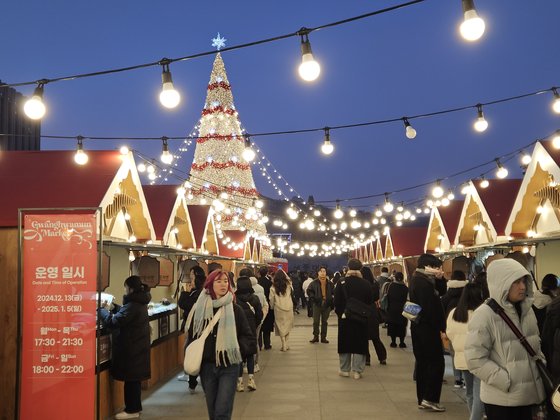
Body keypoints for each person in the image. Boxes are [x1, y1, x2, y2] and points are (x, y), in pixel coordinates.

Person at [465, 259, 546, 420]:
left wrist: (541, 362)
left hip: (531, 397)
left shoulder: (527, 310)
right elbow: (475, 359)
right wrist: (506, 380)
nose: (522, 286)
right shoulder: (484, 315)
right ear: (502, 283)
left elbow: (535, 344)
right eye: (516, 282)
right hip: (502, 401)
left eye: (524, 281)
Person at [186, 270, 254, 420]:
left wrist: (236, 350)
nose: (223, 284)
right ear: (210, 285)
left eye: (225, 281)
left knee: (222, 410)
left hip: (229, 366)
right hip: (207, 366)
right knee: (212, 408)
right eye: (218, 281)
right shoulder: (199, 310)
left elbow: (248, 336)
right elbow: (192, 336)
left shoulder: (236, 309)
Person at [98, 275, 151, 419]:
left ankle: (132, 410)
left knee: (132, 380)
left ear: (131, 288)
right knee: (133, 380)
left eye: (125, 287)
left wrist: (101, 310)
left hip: (133, 349)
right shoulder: (138, 302)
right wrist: (115, 307)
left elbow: (113, 322)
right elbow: (124, 314)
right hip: (137, 348)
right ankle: (134, 408)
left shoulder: (133, 305)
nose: (124, 290)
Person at [409, 253, 447, 412]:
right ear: (428, 267)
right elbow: (431, 309)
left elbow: (442, 291)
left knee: (424, 364)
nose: (439, 270)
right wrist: (441, 327)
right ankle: (430, 398)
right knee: (435, 363)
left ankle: (423, 398)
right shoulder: (423, 283)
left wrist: (439, 279)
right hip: (427, 329)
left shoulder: (419, 279)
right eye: (437, 267)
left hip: (419, 327)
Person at [445, 283, 485, 420]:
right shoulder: (481, 313)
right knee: (479, 392)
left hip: (462, 357)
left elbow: (449, 333)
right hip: (479, 358)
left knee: (470, 392)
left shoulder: (454, 313)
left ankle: (473, 416)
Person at [334, 259, 373, 379]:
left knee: (345, 342)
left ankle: (344, 369)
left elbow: (337, 301)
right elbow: (369, 301)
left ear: (348, 268)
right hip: (361, 319)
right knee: (359, 343)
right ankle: (357, 371)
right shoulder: (366, 284)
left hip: (345, 318)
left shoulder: (341, 282)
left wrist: (341, 313)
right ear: (360, 269)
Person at [177, 265, 206, 392]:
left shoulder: (197, 293)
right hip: (198, 327)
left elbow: (184, 304)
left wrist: (185, 292)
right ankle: (193, 377)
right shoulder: (201, 292)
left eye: (192, 276)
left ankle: (192, 377)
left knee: (191, 350)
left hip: (195, 327)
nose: (190, 278)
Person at [234, 272, 262, 392]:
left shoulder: (234, 300)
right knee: (250, 354)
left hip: (238, 331)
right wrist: (255, 325)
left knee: (239, 355)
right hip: (250, 330)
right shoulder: (254, 299)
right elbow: (259, 315)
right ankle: (251, 379)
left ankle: (239, 382)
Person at [440, 270, 468, 388]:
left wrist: (443, 329)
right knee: (466, 353)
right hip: (466, 327)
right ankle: (467, 379)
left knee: (454, 353)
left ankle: (457, 379)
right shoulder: (467, 295)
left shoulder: (446, 297)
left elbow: (441, 313)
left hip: (451, 329)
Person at [360, 266, 387, 365]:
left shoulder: (362, 285)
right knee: (376, 337)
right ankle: (382, 357)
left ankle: (367, 359)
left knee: (364, 337)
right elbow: (376, 297)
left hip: (363, 310)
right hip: (373, 310)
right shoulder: (375, 284)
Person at [307, 266, 334, 343]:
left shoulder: (330, 283)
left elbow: (334, 292)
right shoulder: (313, 283)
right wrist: (313, 298)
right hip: (317, 304)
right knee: (316, 321)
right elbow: (309, 291)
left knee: (324, 321)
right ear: (318, 273)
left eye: (324, 271)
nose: (323, 273)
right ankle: (315, 336)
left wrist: (331, 300)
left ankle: (323, 337)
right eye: (321, 271)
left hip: (327, 304)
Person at [269, 269, 294, 351]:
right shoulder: (289, 285)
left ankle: (283, 343)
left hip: (278, 308)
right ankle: (286, 344)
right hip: (289, 307)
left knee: (281, 326)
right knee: (288, 325)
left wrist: (272, 307)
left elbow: (271, 299)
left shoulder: (273, 287)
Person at [385, 271, 409, 348]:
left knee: (392, 325)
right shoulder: (405, 288)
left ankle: (393, 342)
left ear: (394, 277)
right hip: (402, 309)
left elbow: (387, 297)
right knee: (402, 326)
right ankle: (402, 342)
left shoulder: (390, 286)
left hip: (392, 309)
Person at [257, 267, 274, 350]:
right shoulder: (269, 283)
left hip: (258, 307)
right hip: (267, 306)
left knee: (259, 327)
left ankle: (259, 345)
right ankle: (267, 344)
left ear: (259, 273)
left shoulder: (257, 282)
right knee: (267, 327)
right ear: (267, 272)